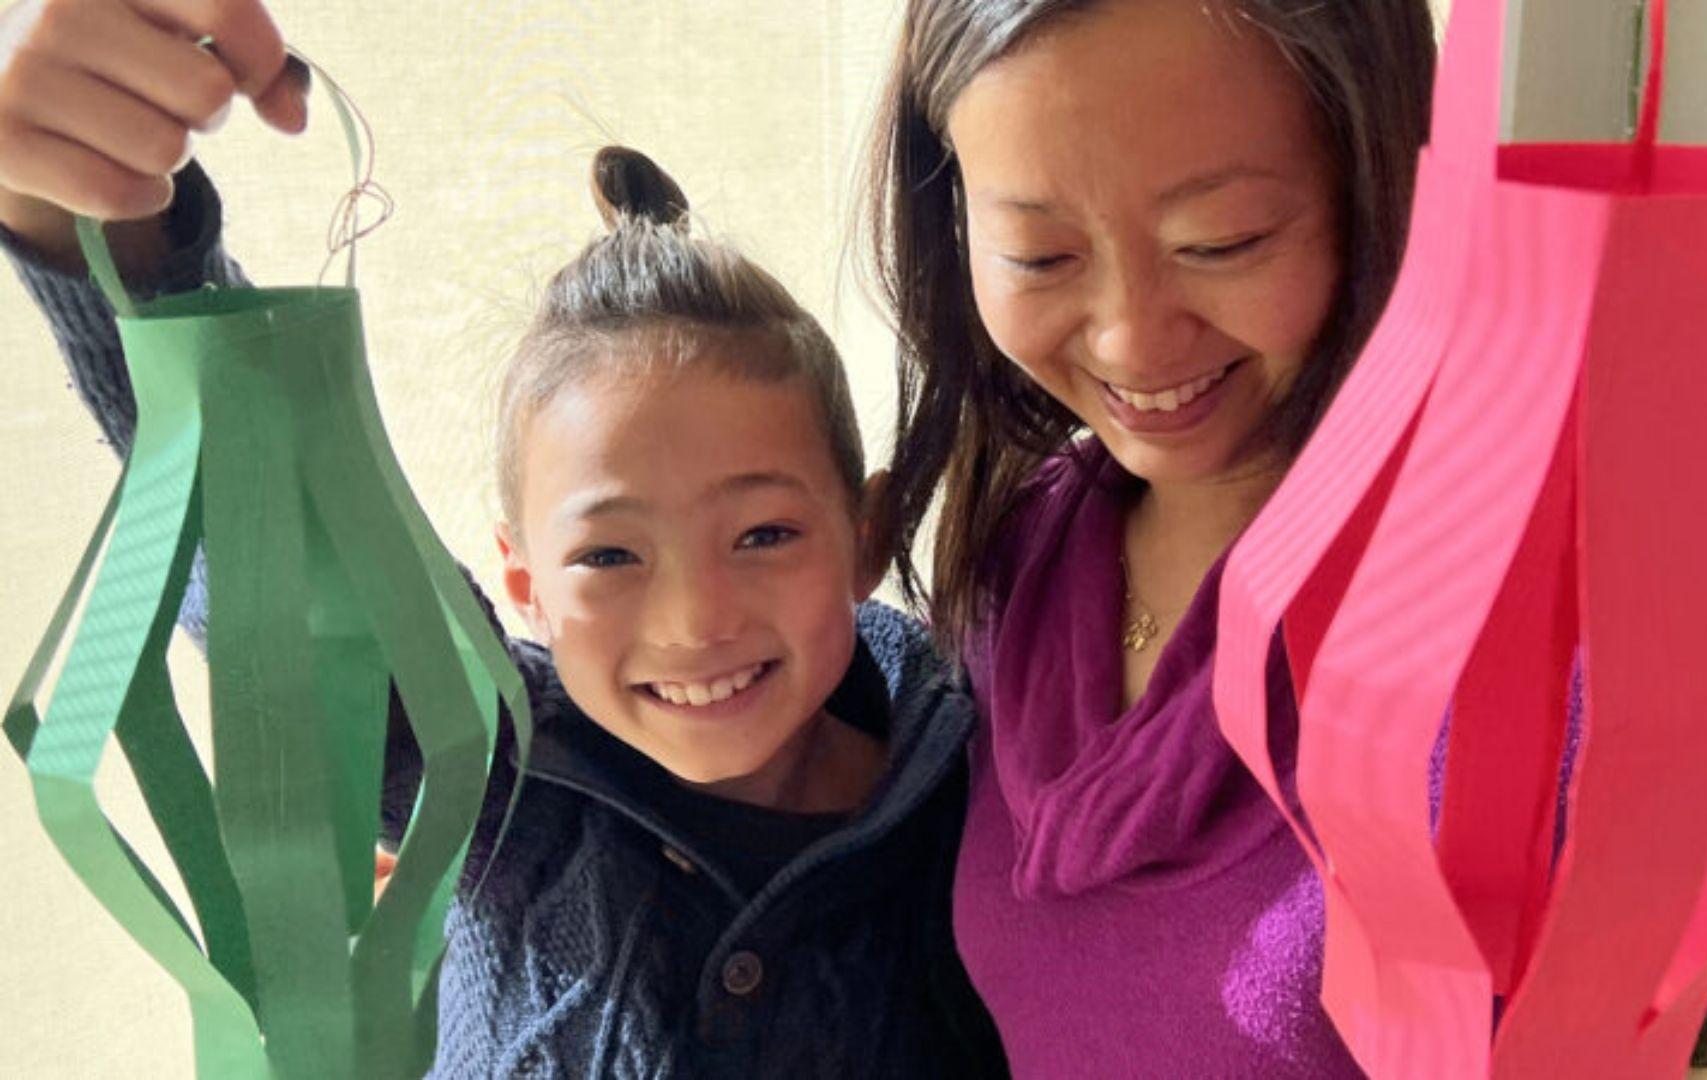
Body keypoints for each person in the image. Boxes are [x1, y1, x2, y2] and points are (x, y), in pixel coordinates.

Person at [863, 0, 1707, 1075]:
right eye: (1038, 256)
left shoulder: (1536, 561)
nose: (1131, 336)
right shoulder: (1028, 549)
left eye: (1221, 241)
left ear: (1375, 180)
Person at [0, 4, 1006, 1070]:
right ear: (520, 581)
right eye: (609, 556)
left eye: (762, 534)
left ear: (867, 534)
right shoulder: (487, 759)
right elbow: (276, 538)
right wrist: (100, 228)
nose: (697, 618)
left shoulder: (976, 782)